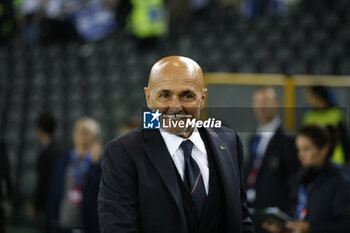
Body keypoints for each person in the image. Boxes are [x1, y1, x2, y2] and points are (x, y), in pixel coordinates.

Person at [98, 56, 255, 233]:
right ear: (149, 98)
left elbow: (241, 219)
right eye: (165, 95)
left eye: (187, 95)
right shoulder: (123, 152)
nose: (175, 106)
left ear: (202, 98)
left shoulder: (229, 141)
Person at [263, 125, 350, 233]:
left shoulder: (340, 180)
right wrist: (284, 227)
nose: (300, 155)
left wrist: (311, 228)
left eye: (306, 149)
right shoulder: (301, 177)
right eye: (298, 149)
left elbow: (345, 224)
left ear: (324, 150)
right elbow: (296, 213)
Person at [245, 87, 300, 233]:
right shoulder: (253, 138)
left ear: (277, 104)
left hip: (275, 220)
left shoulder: (288, 141)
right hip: (252, 214)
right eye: (257, 102)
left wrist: (288, 217)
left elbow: (294, 181)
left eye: (265, 102)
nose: (260, 107)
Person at [49, 117, 102, 233]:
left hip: (88, 226)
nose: (82, 135)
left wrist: (95, 163)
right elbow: (54, 192)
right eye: (79, 131)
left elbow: (100, 194)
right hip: (61, 226)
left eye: (86, 132)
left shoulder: (100, 164)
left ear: (95, 138)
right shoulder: (62, 160)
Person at [28, 112, 62, 232]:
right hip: (60, 204)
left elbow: (42, 183)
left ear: (39, 130)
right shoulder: (61, 150)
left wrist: (35, 205)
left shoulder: (45, 154)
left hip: (48, 207)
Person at [303, 85, 349, 165]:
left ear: (317, 96)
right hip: (316, 161)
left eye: (309, 97)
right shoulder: (309, 117)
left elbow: (345, 139)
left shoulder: (336, 114)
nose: (308, 101)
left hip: (336, 160)